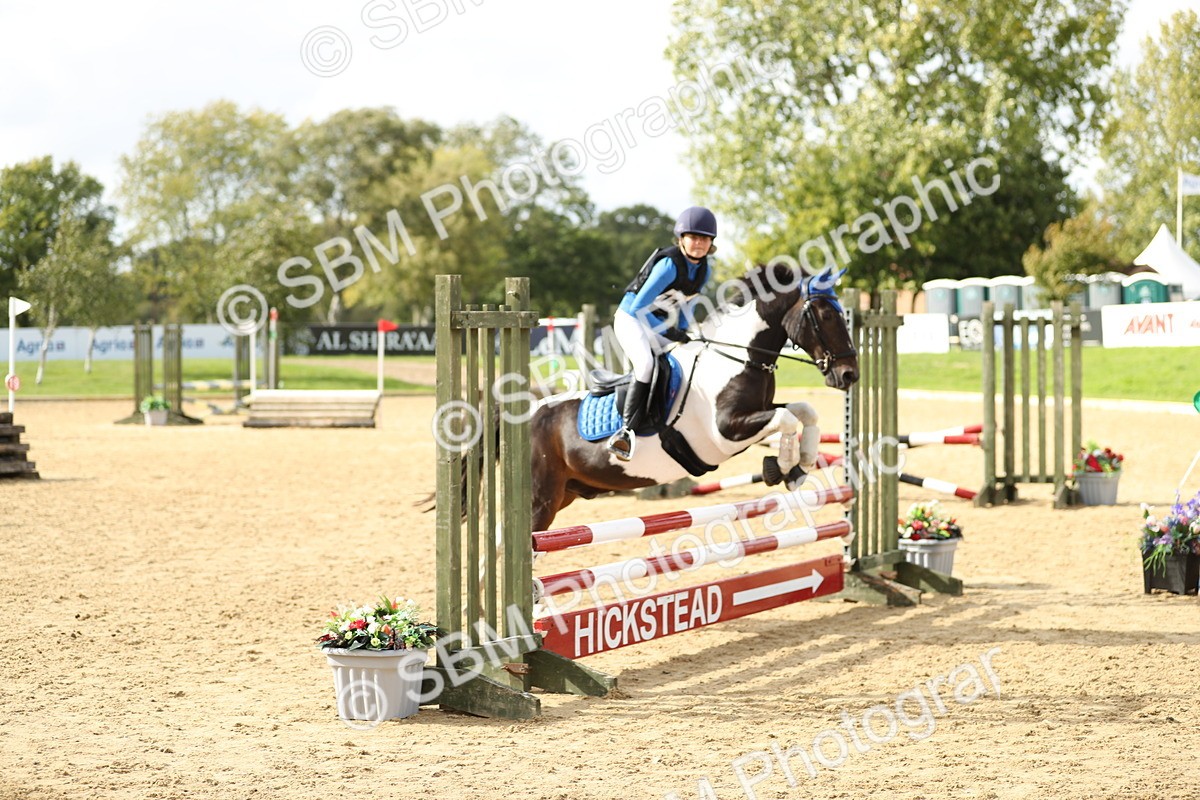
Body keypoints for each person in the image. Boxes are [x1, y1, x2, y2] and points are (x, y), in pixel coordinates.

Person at [606, 206, 716, 461]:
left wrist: (688, 333)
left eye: (704, 239)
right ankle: (626, 432)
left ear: (711, 243)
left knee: (691, 357)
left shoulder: (704, 270)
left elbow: (688, 306)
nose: (699, 243)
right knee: (645, 364)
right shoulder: (668, 265)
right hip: (630, 319)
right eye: (693, 237)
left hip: (655, 323)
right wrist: (669, 331)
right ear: (681, 239)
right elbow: (638, 307)